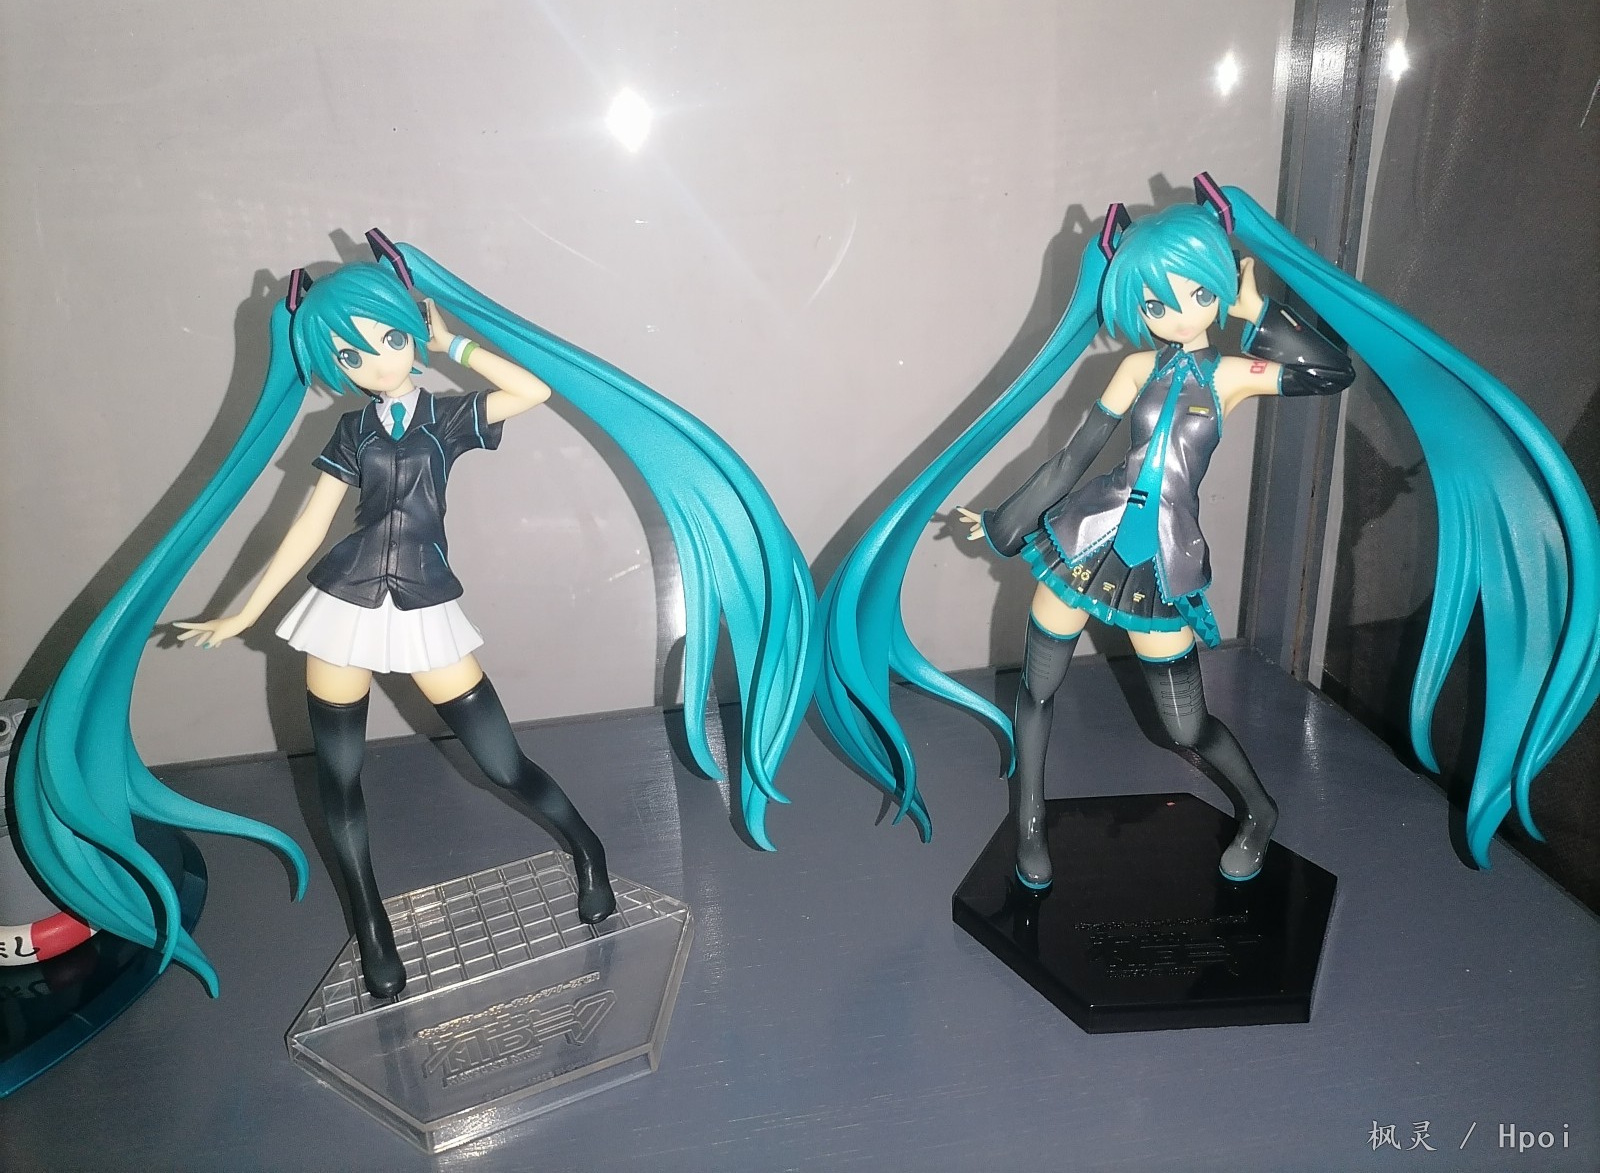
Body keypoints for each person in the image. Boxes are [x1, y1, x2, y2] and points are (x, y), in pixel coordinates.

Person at [14, 232, 818, 998]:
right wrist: (243, 608)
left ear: (409, 332)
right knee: (339, 777)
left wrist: (449, 342)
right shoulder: (350, 429)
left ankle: (588, 849)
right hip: (342, 605)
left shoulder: (445, 418)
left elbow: (531, 392)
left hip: (426, 603)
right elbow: (308, 528)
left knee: (501, 761)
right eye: (350, 355)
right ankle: (372, 926)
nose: (374, 362)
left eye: (388, 341)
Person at [816, 176, 1598, 890]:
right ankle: (1029, 822)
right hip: (1084, 544)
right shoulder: (1133, 370)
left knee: (1183, 725)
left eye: (1190, 293)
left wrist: (1257, 313)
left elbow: (1329, 372)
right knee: (1039, 689)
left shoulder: (1230, 376)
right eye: (1154, 302)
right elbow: (1073, 458)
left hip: (1159, 565)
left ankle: (1258, 809)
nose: (1171, 311)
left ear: (1217, 287)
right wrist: (1004, 522)